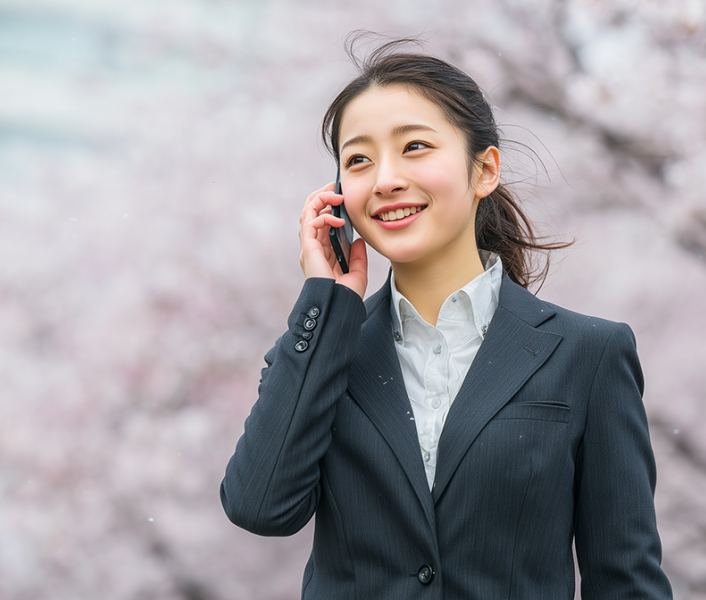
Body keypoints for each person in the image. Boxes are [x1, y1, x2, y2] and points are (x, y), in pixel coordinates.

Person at [220, 38, 673, 599]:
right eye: (358, 159)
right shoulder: (320, 352)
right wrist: (326, 298)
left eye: (414, 147)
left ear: (484, 170)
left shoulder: (588, 353)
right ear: (339, 195)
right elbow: (260, 506)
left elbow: (625, 581)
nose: (385, 178)